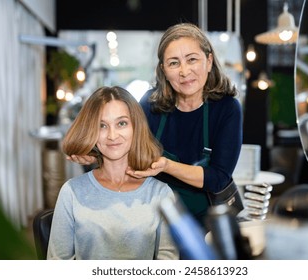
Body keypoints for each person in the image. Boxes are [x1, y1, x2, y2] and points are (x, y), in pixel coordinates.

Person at [70, 23, 243, 226]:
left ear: (209, 60)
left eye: (192, 59)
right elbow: (128, 147)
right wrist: (93, 154)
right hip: (151, 216)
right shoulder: (150, 103)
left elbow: (218, 178)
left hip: (203, 222)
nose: (184, 71)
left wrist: (167, 166)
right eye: (173, 63)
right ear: (163, 69)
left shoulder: (227, 108)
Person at [47, 86, 179, 260]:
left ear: (135, 127)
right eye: (102, 126)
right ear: (91, 131)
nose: (112, 135)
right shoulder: (72, 191)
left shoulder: (161, 194)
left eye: (121, 123)